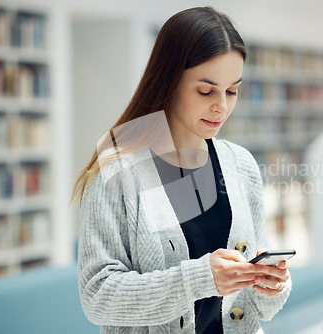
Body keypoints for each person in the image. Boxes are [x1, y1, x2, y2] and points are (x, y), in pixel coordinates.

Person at [70, 6, 292, 334]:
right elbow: (97, 295)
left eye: (232, 91)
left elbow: (259, 307)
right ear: (170, 80)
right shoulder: (118, 172)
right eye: (206, 91)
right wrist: (200, 279)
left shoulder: (240, 165)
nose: (222, 106)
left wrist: (272, 284)